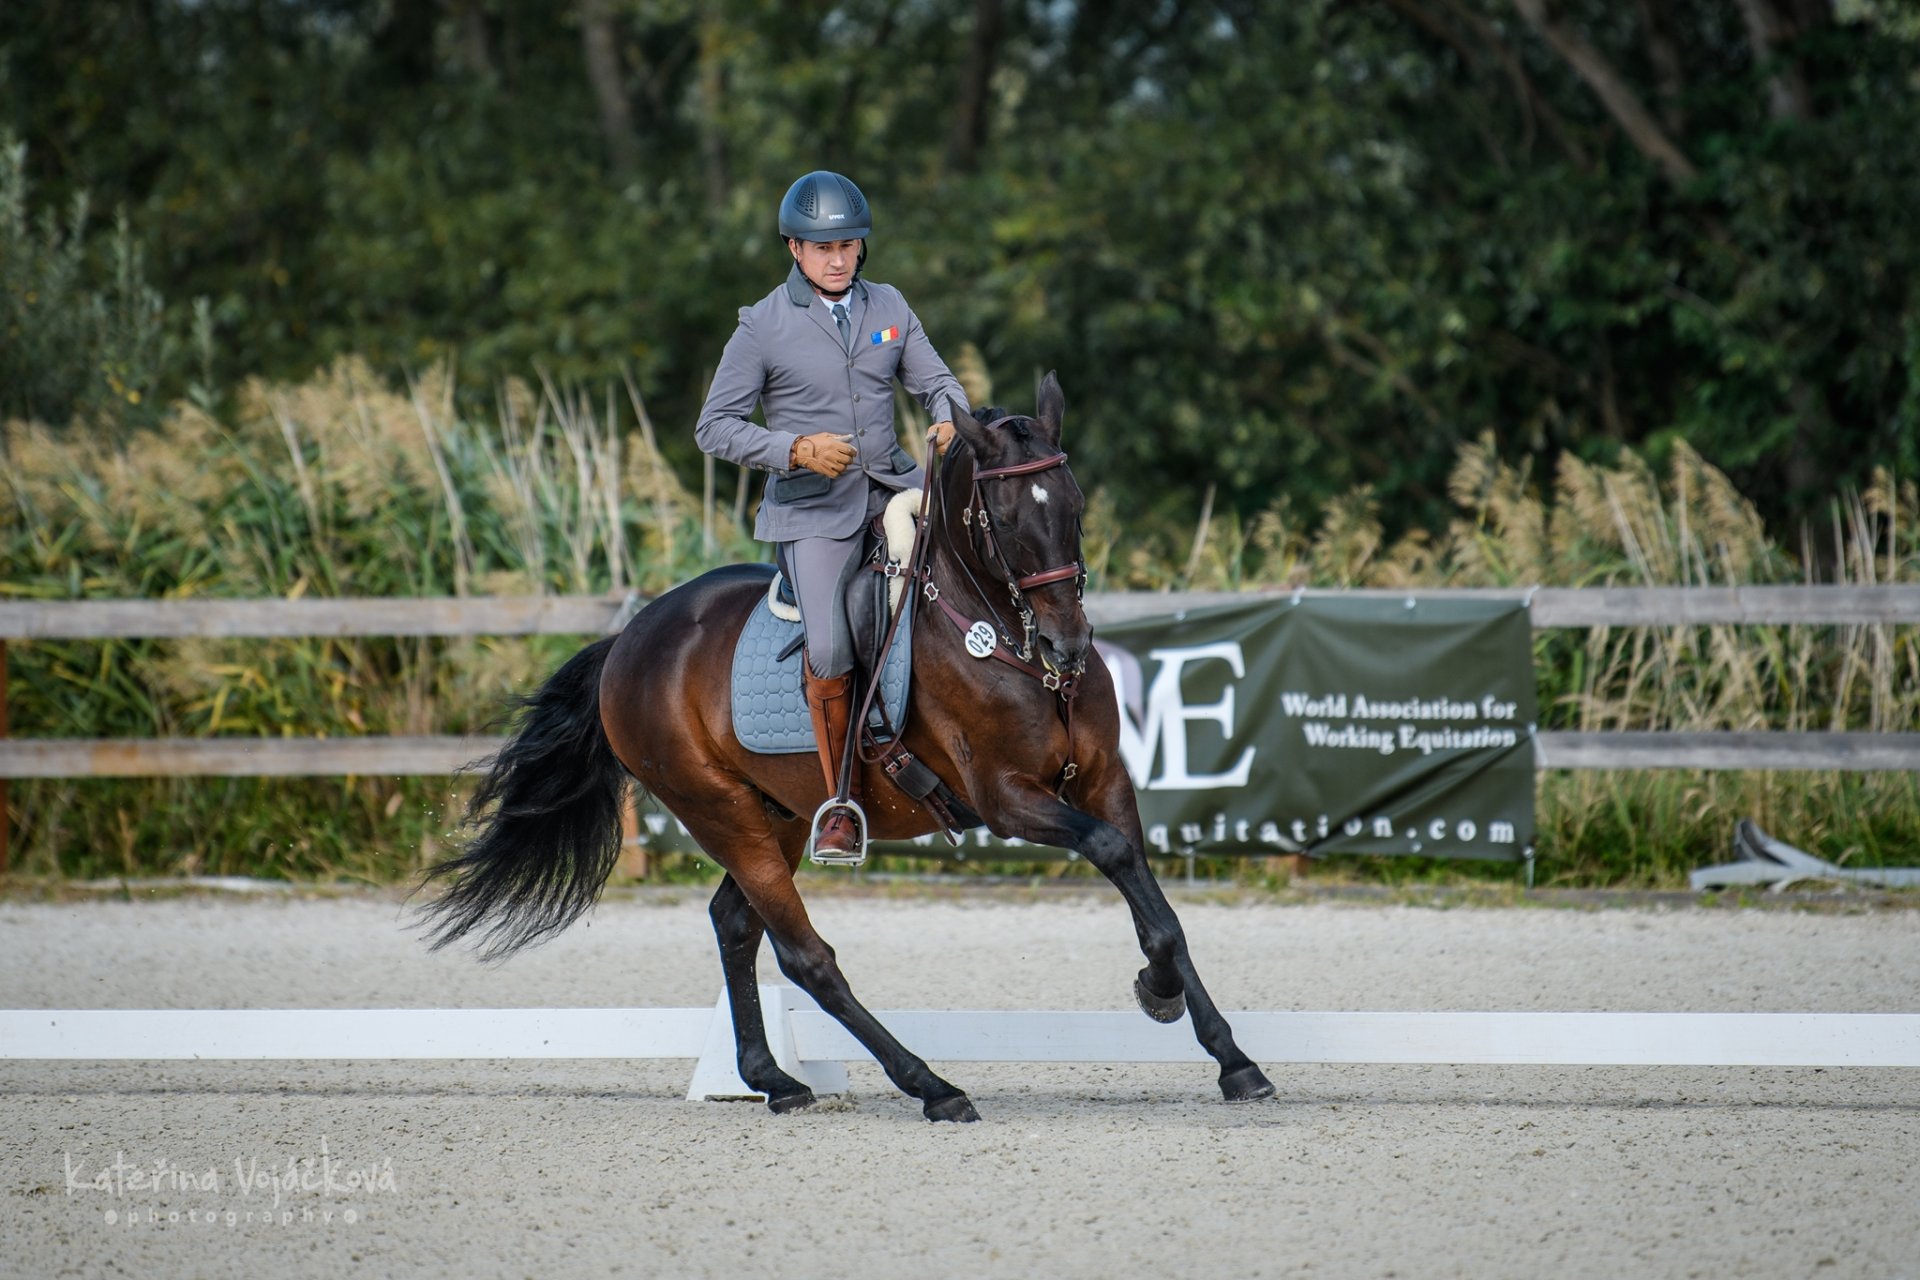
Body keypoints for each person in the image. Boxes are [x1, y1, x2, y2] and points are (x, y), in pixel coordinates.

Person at [695, 169, 971, 858]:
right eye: (824, 248)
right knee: (828, 645)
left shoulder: (890, 307)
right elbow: (715, 426)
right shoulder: (761, 326)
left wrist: (947, 419)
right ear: (794, 248)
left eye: (849, 245)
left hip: (897, 489)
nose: (839, 258)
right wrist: (793, 449)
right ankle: (840, 802)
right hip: (815, 512)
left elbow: (937, 382)